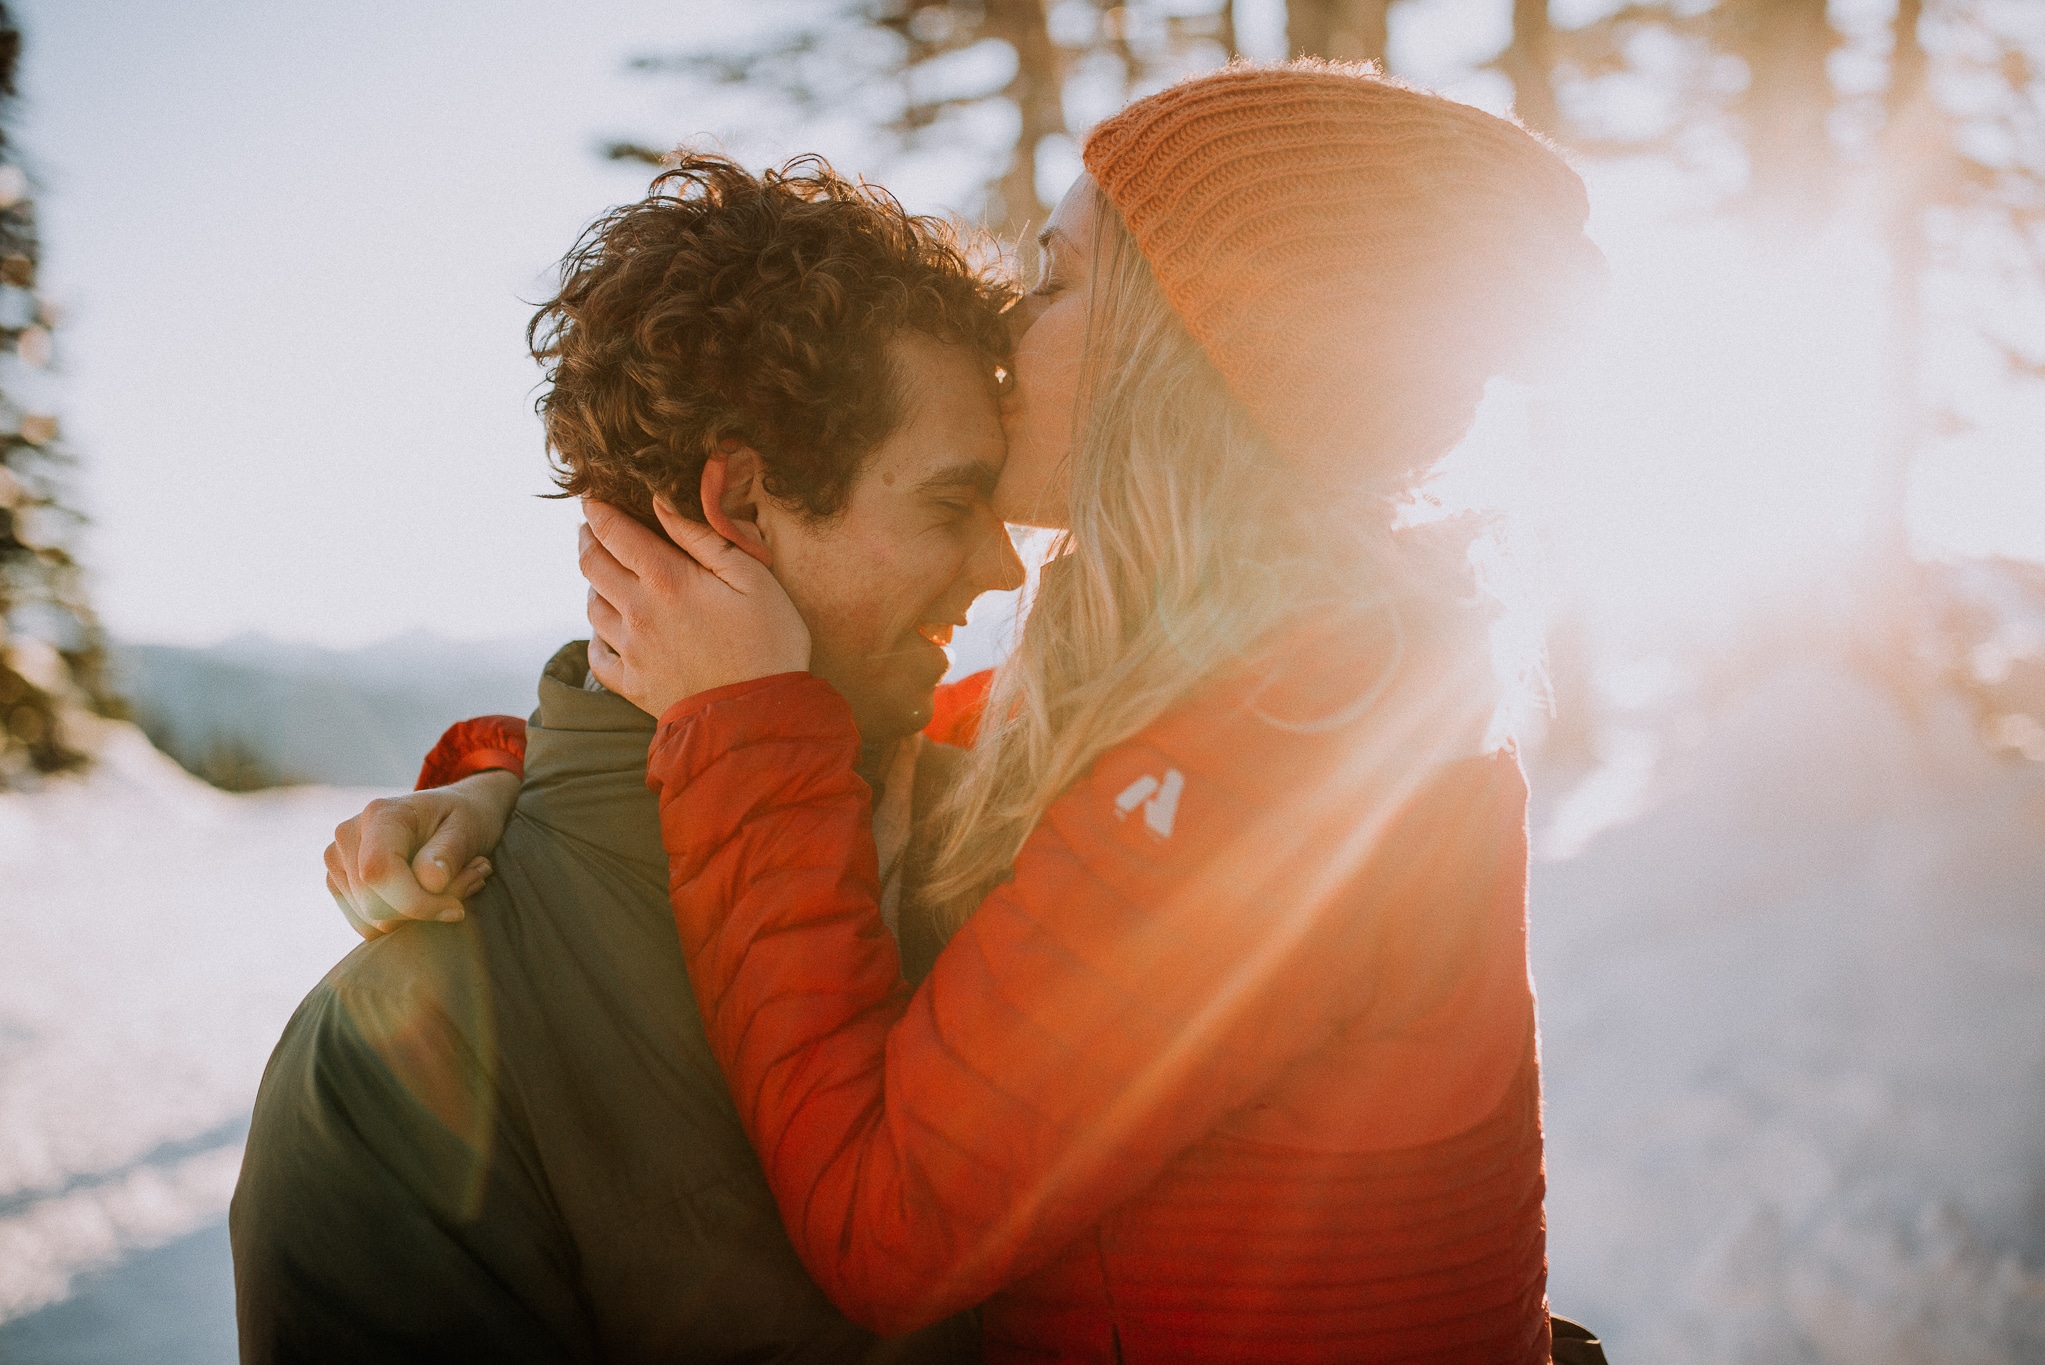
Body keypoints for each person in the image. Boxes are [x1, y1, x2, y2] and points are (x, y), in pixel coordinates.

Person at [569, 64, 1604, 1363]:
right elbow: (907, 750)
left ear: (1177, 350)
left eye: (1055, 279)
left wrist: (740, 716)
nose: (1010, 322)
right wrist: (509, 777)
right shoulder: (1222, 685)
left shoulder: (1290, 753)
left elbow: (886, 1227)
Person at [231, 154, 1022, 1364]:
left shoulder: (1030, 843)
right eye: (950, 504)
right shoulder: (409, 1050)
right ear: (741, 505)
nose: (1003, 567)